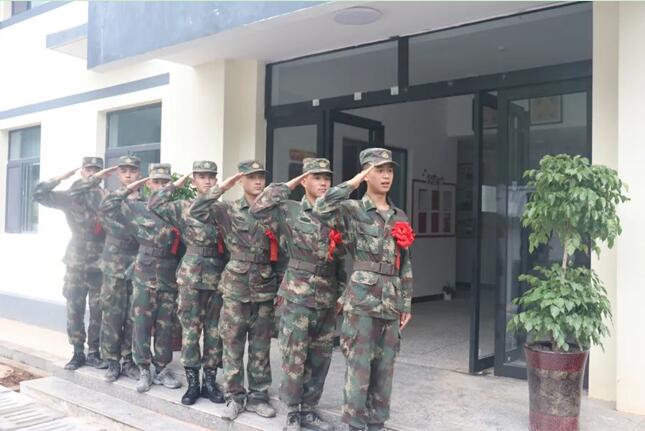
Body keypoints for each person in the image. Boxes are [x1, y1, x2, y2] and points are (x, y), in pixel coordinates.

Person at [312, 148, 414, 431]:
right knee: (359, 366)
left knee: (385, 367)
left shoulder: (399, 215)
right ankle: (355, 424)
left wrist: (406, 302)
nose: (386, 176)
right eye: (379, 170)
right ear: (367, 174)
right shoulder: (351, 210)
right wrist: (353, 182)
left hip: (391, 301)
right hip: (361, 301)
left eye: (389, 170)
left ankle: (377, 422)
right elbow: (321, 208)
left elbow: (405, 262)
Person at [250, 158, 346, 431]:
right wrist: (291, 183)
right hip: (297, 295)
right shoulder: (288, 210)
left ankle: (310, 410)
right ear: (305, 181)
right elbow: (259, 207)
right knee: (294, 356)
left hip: (327, 297)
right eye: (316, 177)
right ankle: (293, 412)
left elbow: (339, 259)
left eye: (326, 177)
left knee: (321, 357)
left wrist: (341, 292)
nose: (323, 182)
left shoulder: (336, 214)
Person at [189, 160, 280, 421]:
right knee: (232, 343)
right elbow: (197, 210)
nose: (258, 181)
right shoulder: (226, 209)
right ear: (241, 180)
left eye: (261, 176)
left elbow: (283, 249)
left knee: (260, 346)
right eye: (251, 177)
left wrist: (283, 287)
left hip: (264, 286)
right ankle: (234, 396)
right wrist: (221, 188)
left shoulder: (274, 212)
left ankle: (258, 396)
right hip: (236, 287)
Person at [147, 160, 227, 405]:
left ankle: (210, 382)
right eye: (201, 176)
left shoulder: (223, 210)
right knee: (191, 331)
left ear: (216, 180)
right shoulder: (182, 207)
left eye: (211, 176)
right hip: (191, 276)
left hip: (217, 277)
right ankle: (193, 383)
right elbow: (154, 204)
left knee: (215, 332)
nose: (207, 180)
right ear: (194, 180)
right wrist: (175, 184)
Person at [100, 163, 182, 393]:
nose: (161, 186)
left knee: (165, 325)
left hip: (168, 274)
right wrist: (129, 187)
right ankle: (143, 368)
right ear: (148, 184)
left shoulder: (176, 211)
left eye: (166, 182)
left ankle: (162, 368)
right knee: (141, 324)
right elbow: (107, 206)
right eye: (156, 182)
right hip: (144, 274)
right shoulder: (136, 208)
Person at [33, 157, 106, 370]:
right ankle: (77, 352)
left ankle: (95, 351)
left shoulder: (106, 197)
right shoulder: (70, 196)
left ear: (101, 174)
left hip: (100, 262)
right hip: (76, 260)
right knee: (74, 307)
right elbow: (39, 194)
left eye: (96, 170)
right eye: (88, 169)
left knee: (98, 309)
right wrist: (60, 177)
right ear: (82, 172)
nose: (92, 173)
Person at [81, 155, 143, 382]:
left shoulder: (146, 202)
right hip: (113, 264)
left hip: (137, 264)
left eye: (132, 171)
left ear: (139, 173)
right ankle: (112, 361)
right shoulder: (108, 198)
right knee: (112, 314)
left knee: (133, 316)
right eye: (124, 171)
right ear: (118, 174)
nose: (128, 174)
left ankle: (129, 360)